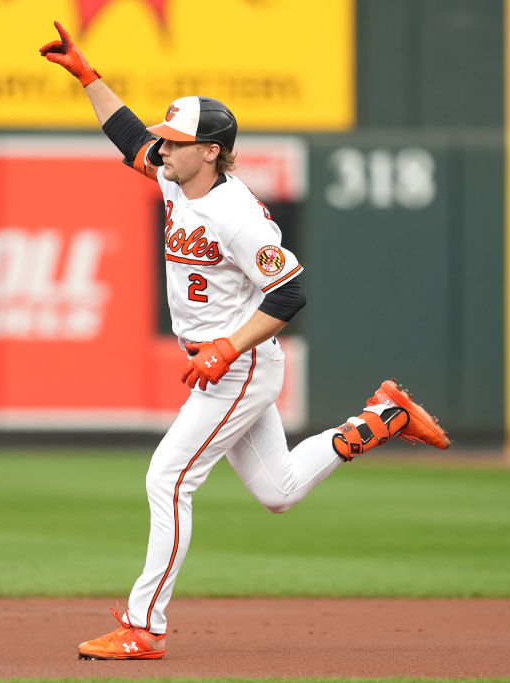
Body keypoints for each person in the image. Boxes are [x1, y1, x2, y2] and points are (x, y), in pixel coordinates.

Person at [39, 22, 451, 660]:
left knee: (168, 479)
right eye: (166, 139)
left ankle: (145, 627)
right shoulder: (177, 177)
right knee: (277, 491)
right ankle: (381, 418)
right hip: (226, 361)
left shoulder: (237, 216)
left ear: (210, 151)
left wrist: (228, 347)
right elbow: (129, 137)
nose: (162, 148)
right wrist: (89, 77)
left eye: (176, 142)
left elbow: (289, 295)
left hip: (239, 365)